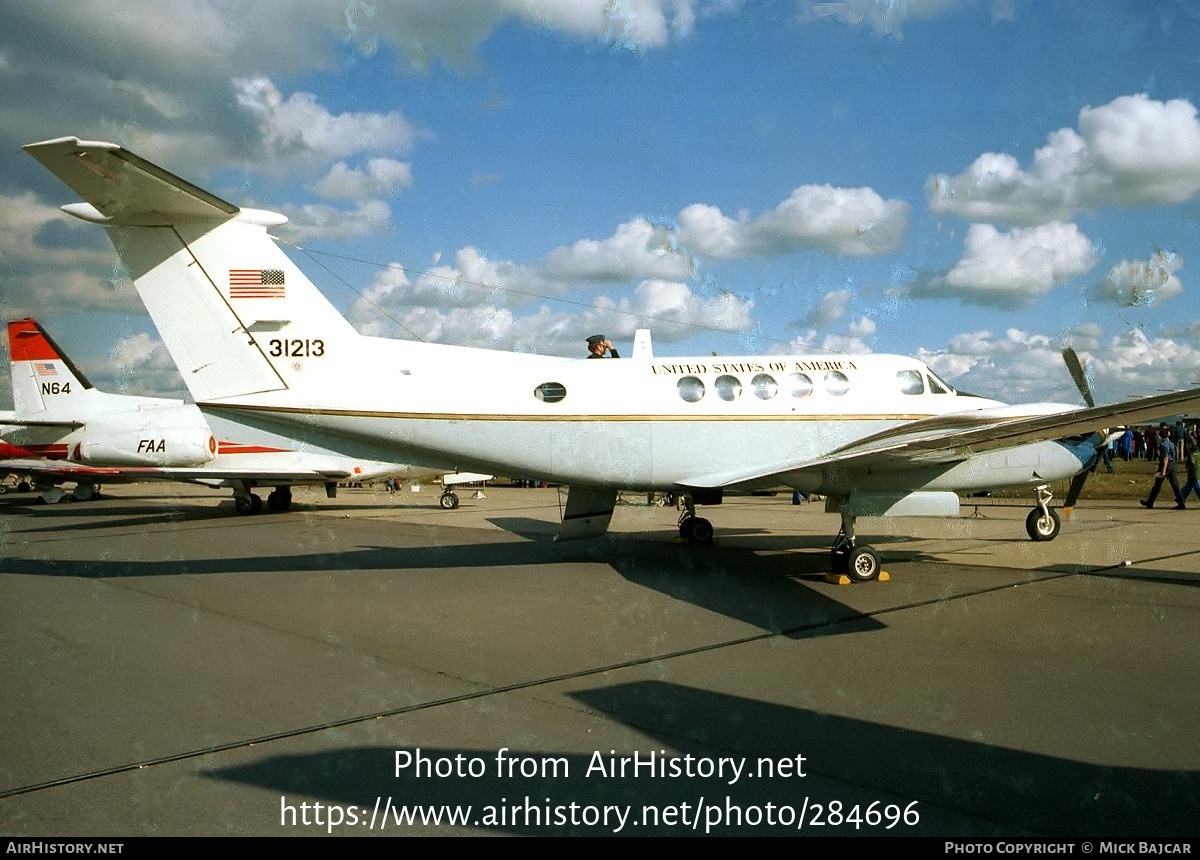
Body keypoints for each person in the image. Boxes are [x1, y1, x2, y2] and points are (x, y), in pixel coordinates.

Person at [1140, 423, 1185, 510]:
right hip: (1172, 464)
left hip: (1164, 465)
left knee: (1157, 484)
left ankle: (1150, 502)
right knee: (1175, 485)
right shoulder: (1171, 444)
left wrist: (1163, 470)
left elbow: (1165, 458)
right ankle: (1181, 502)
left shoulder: (1163, 445)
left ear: (1160, 436)